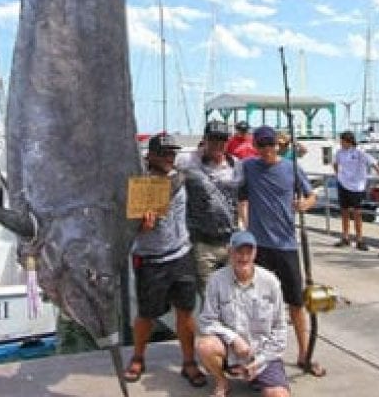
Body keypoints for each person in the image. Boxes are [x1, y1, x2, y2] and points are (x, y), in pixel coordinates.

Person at [235, 125, 325, 377]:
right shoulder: (248, 167)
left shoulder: (291, 167)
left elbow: (311, 196)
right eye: (261, 145)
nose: (265, 150)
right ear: (255, 146)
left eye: (269, 145)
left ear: (277, 145)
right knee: (257, 304)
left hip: (286, 245)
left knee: (296, 303)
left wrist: (304, 204)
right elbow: (238, 193)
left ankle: (304, 354)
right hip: (259, 247)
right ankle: (258, 356)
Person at [125, 133, 208, 387]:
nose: (169, 158)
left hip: (181, 255)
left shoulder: (181, 177)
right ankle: (138, 357)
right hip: (150, 259)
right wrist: (141, 226)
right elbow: (126, 225)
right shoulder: (137, 183)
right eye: (164, 154)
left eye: (172, 153)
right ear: (150, 156)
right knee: (146, 315)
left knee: (186, 311)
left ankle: (188, 361)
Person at [196, 230, 291, 397]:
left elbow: (280, 329)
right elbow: (206, 321)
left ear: (255, 253)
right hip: (231, 352)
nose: (244, 257)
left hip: (262, 354)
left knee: (278, 395)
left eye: (249, 252)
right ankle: (221, 382)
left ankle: (259, 378)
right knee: (205, 345)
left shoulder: (270, 281)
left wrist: (259, 361)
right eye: (239, 251)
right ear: (229, 251)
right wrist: (233, 339)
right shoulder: (216, 280)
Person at [177, 121, 239, 295]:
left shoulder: (236, 165)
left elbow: (243, 199)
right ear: (204, 140)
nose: (218, 144)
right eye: (213, 139)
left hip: (230, 242)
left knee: (233, 295)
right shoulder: (186, 161)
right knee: (209, 297)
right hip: (202, 244)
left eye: (222, 140)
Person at [331, 130, 371, 250]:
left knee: (357, 213)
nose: (342, 143)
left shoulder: (359, 152)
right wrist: (338, 175)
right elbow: (335, 163)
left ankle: (359, 239)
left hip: (356, 186)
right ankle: (345, 237)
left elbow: (372, 162)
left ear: (350, 141)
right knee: (344, 211)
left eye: (343, 141)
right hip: (343, 183)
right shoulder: (339, 152)